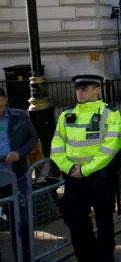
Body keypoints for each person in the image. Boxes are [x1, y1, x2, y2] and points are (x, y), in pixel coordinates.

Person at [50, 75, 121, 262]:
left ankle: (105, 256)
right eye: (78, 89)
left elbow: (110, 147)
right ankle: (85, 255)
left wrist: (86, 169)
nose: (80, 93)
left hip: (99, 176)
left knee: (104, 218)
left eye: (85, 89)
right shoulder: (67, 115)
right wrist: (70, 167)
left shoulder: (110, 113)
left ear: (97, 90)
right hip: (73, 176)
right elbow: (57, 147)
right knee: (74, 218)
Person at [0, 88, 37, 261]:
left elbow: (32, 139)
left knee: (21, 221)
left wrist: (19, 153)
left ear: (6, 100)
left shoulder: (20, 116)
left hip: (17, 177)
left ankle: (24, 256)